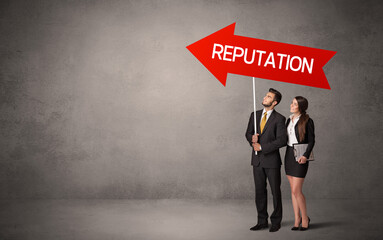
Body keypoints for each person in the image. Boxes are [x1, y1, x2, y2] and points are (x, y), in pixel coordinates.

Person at [245, 88, 287, 232]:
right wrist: (252, 139)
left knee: (275, 192)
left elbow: (282, 140)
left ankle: (276, 222)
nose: (264, 97)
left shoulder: (280, 119)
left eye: (268, 97)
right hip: (257, 161)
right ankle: (262, 221)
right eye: (265, 95)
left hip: (272, 161)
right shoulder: (254, 115)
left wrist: (262, 146)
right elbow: (248, 133)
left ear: (274, 102)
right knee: (259, 192)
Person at [284, 96, 315, 231]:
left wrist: (305, 156)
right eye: (292, 102)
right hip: (289, 154)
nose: (291, 105)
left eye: (295, 104)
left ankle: (305, 218)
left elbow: (312, 140)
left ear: (301, 107)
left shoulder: (307, 120)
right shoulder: (288, 120)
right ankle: (297, 219)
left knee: (297, 190)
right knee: (292, 191)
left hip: (301, 154)